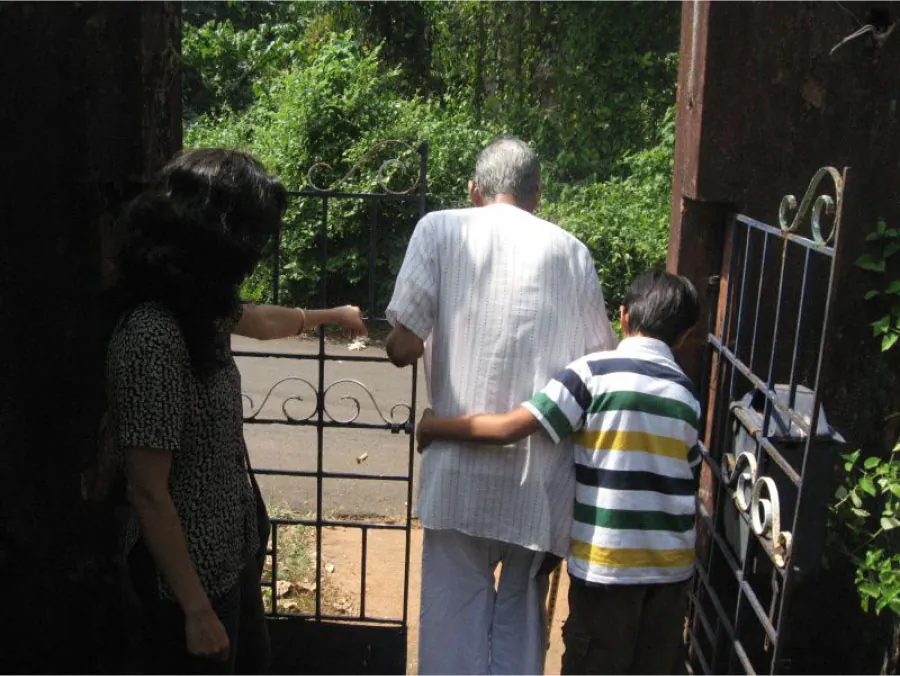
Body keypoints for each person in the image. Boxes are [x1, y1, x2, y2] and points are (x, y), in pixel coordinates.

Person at [105, 148, 366, 674]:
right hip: (186, 586)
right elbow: (148, 490)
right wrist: (196, 611)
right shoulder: (153, 334)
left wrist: (328, 315)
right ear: (214, 240)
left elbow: (261, 320)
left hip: (229, 560)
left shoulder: (193, 302)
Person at [385, 137, 618, 674]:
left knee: (451, 613)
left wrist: (400, 338)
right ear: (537, 194)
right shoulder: (572, 252)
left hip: (457, 468)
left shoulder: (440, 229)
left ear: (473, 190)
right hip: (539, 480)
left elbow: (404, 345)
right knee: (519, 610)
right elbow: (597, 363)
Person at [417, 269, 703, 675]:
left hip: (607, 568)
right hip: (672, 573)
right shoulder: (686, 395)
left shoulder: (593, 374)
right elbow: (687, 480)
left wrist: (433, 427)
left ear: (623, 316)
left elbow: (509, 428)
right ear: (685, 335)